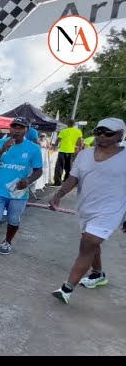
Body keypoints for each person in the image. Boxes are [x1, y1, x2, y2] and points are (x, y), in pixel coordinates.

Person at [50, 118, 126, 304]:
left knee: (88, 242)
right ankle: (98, 274)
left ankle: (67, 288)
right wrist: (59, 193)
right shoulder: (84, 155)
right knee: (92, 244)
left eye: (108, 132)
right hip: (86, 208)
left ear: (120, 135)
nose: (102, 136)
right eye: (98, 131)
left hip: (111, 210)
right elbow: (73, 178)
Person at [0, 117, 43, 262]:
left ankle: (7, 241)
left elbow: (38, 171)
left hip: (19, 192)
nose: (17, 130)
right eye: (14, 127)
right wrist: (2, 150)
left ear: (27, 130)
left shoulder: (33, 148)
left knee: (14, 220)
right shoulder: (0, 143)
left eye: (20, 127)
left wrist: (28, 181)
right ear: (10, 129)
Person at [53, 119, 83, 186]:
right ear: (74, 124)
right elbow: (80, 141)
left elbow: (58, 140)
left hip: (62, 151)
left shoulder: (63, 131)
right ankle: (66, 181)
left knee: (59, 167)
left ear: (67, 124)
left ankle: (57, 182)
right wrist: (79, 148)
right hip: (72, 151)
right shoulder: (78, 131)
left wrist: (54, 146)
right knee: (69, 167)